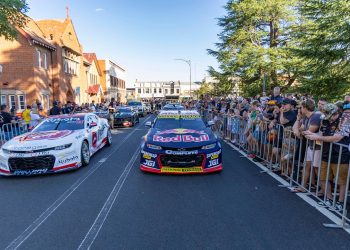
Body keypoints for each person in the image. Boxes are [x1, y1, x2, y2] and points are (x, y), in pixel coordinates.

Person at [305, 101, 350, 211]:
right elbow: (321, 134)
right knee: (323, 177)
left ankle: (340, 202)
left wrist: (317, 138)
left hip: (341, 155)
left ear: (335, 113)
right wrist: (312, 135)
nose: (328, 119)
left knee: (341, 180)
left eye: (330, 116)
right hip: (326, 153)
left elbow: (337, 138)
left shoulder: (344, 120)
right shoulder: (324, 120)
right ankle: (329, 199)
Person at [292, 99, 322, 192]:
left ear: (305, 108)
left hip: (318, 147)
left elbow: (309, 132)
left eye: (301, 107)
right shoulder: (305, 117)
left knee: (317, 169)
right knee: (307, 166)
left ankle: (324, 192)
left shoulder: (316, 116)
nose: (300, 109)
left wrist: (302, 132)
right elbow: (297, 132)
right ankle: (303, 187)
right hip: (311, 146)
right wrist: (298, 119)